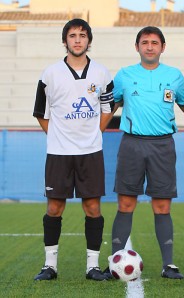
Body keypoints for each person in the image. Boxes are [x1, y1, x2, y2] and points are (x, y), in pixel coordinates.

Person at [32, 18, 114, 281]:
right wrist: (59, 136)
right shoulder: (50, 74)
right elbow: (41, 114)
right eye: (72, 35)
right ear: (65, 40)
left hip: (90, 153)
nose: (77, 40)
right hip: (58, 153)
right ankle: (50, 265)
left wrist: (91, 134)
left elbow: (107, 110)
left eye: (82, 35)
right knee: (54, 208)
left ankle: (92, 266)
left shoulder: (101, 73)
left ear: (89, 40)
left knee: (92, 208)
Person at [106, 26, 184, 279]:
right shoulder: (124, 75)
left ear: (163, 47)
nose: (149, 46)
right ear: (137, 47)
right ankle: (115, 261)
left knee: (162, 205)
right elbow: (109, 105)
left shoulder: (174, 76)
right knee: (126, 203)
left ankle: (168, 265)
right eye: (144, 42)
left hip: (163, 145)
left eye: (154, 42)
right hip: (131, 144)